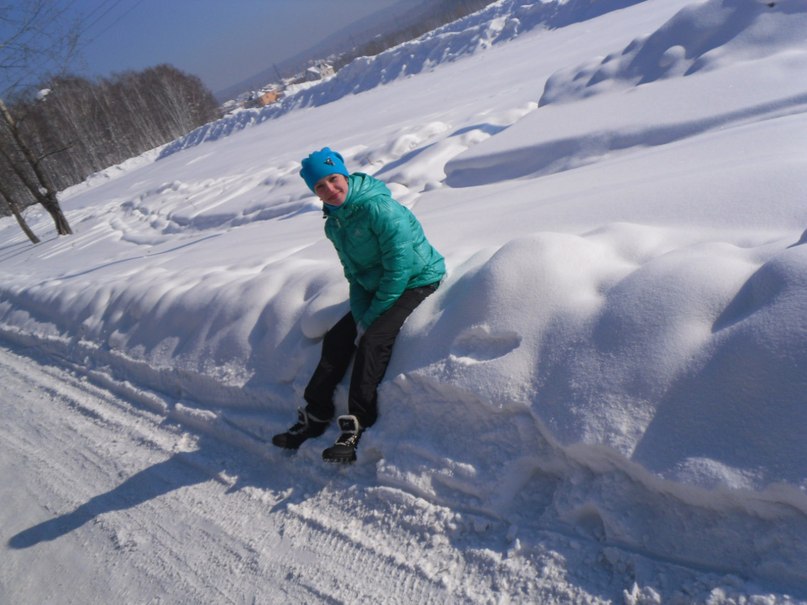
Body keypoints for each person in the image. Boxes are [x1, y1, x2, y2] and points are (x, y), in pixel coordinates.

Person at [272, 147, 445, 463]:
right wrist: (361, 310)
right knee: (338, 339)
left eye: (333, 179)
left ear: (345, 175)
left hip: (417, 279)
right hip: (379, 286)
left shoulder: (380, 209)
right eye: (320, 187)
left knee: (373, 341)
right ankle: (316, 413)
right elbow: (355, 274)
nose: (330, 190)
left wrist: (371, 317)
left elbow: (399, 266)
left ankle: (356, 423)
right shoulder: (334, 223)